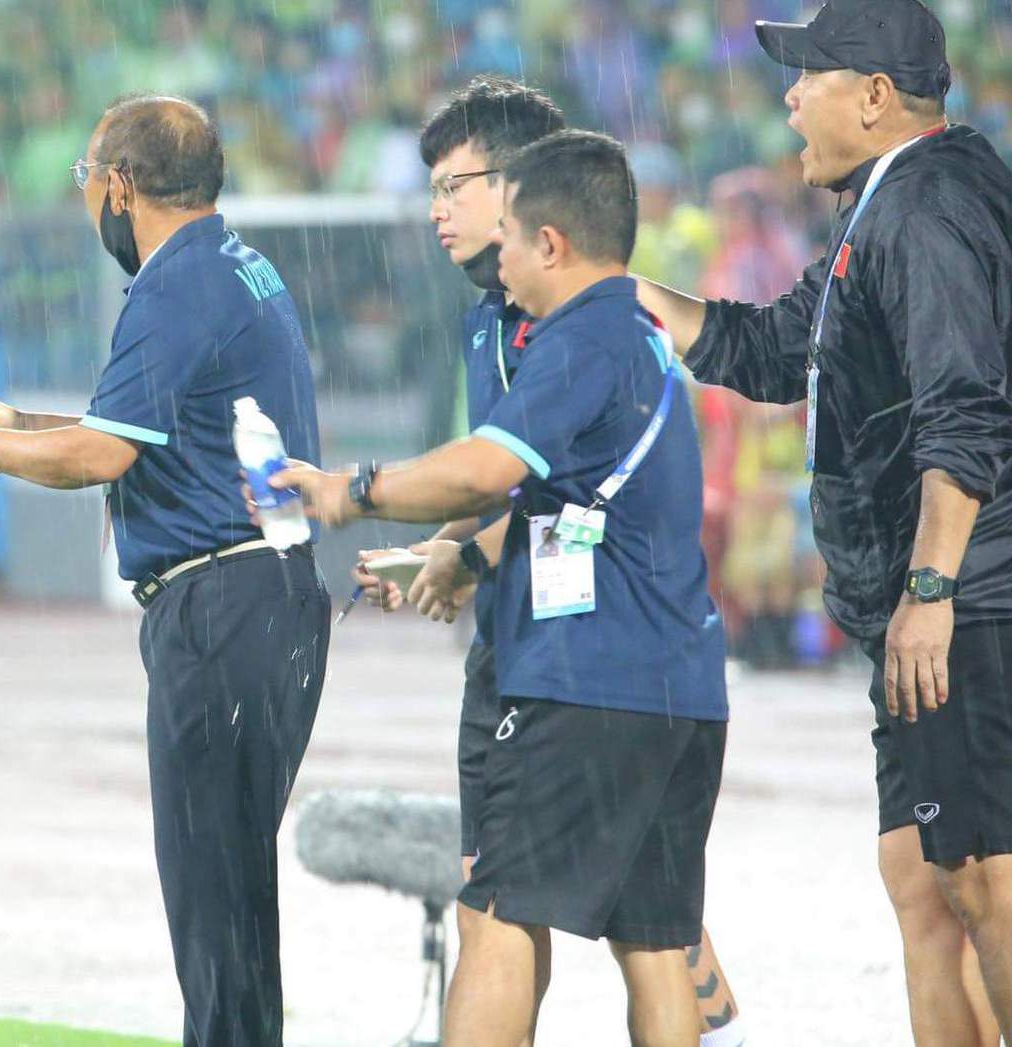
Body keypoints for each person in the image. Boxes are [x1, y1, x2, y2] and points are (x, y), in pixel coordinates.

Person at [274, 130, 728, 1047]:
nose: (501, 260)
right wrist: (464, 557)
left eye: (513, 238)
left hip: (582, 677)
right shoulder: (643, 336)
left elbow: (488, 467)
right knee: (655, 937)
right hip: (680, 684)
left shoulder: (580, 337)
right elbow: (566, 496)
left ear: (552, 243)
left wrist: (350, 491)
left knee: (498, 910)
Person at [0, 94, 330, 1046]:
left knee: (212, 899)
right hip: (269, 596)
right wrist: (19, 427)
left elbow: (101, 460)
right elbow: (141, 437)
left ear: (121, 184)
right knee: (229, 896)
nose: (86, 196)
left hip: (224, 605)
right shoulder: (237, 266)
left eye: (85, 178)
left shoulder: (175, 284)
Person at [635, 2, 1012, 1041]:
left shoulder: (926, 209)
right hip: (930, 603)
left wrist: (931, 592)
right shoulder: (890, 200)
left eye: (808, 77)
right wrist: (623, 295)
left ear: (875, 96)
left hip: (970, 600)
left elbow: (963, 408)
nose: (789, 98)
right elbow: (773, 348)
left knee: (986, 880)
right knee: (921, 875)